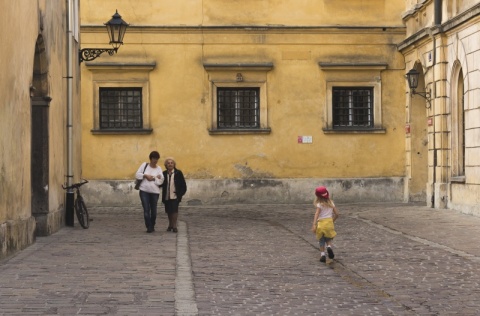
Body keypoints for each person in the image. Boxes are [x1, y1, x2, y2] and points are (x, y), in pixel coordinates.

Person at [136, 151, 165, 233]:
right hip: (144, 191)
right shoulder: (144, 165)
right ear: (150, 158)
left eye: (156, 159)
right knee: (146, 209)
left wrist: (153, 178)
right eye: (153, 158)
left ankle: (152, 224)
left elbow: (161, 181)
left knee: (154, 211)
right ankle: (149, 226)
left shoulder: (159, 168)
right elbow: (137, 175)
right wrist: (145, 175)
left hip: (155, 192)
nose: (155, 160)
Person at [311, 186, 339, 263]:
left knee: (321, 240)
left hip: (321, 224)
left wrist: (314, 224)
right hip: (329, 223)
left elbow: (317, 214)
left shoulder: (319, 204)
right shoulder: (331, 203)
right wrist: (332, 221)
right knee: (329, 238)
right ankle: (329, 247)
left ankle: (323, 255)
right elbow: (337, 214)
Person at [161, 157, 187, 233]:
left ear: (174, 164)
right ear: (166, 165)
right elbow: (161, 184)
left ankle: (174, 225)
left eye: (171, 163)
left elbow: (183, 185)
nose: (170, 164)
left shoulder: (178, 173)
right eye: (168, 163)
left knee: (174, 210)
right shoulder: (164, 173)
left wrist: (180, 194)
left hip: (175, 195)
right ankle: (170, 224)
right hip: (167, 195)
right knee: (169, 211)